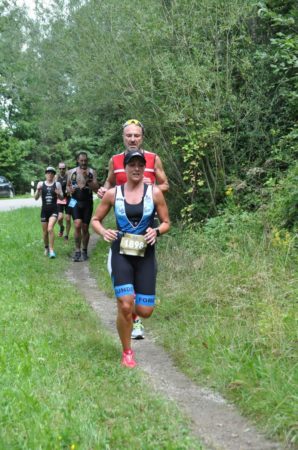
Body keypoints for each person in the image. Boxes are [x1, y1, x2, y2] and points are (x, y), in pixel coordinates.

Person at [92, 151, 170, 368]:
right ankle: (127, 351)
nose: (136, 169)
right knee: (125, 305)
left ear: (145, 168)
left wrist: (157, 231)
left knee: (145, 311)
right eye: (131, 165)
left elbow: (166, 222)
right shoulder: (113, 193)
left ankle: (132, 304)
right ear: (124, 169)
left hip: (145, 255)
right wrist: (102, 231)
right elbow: (96, 220)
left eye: (140, 165)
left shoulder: (154, 193)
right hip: (121, 254)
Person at [67, 152, 98, 262]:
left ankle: (84, 250)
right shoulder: (71, 172)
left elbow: (96, 189)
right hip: (75, 201)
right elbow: (68, 186)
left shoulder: (91, 172)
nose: (84, 163)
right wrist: (69, 190)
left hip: (87, 202)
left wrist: (88, 180)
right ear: (78, 160)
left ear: (87, 160)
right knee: (77, 224)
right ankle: (77, 251)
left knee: (85, 227)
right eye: (81, 160)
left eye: (85, 160)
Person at [35, 166, 64, 258]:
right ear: (45, 174)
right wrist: (37, 190)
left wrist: (58, 193)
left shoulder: (57, 184)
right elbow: (36, 198)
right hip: (44, 211)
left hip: (54, 210)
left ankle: (51, 250)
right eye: (48, 172)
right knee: (44, 232)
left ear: (54, 175)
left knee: (50, 228)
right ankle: (46, 247)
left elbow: (62, 198)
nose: (50, 174)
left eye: (52, 173)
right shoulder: (41, 183)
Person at [56, 162, 71, 240]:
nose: (62, 170)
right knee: (60, 218)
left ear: (66, 168)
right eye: (60, 168)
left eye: (63, 168)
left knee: (68, 218)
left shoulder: (69, 176)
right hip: (60, 199)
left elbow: (73, 186)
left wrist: (70, 190)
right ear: (58, 169)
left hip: (68, 198)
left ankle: (66, 235)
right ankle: (61, 227)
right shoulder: (56, 177)